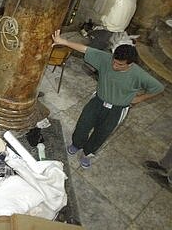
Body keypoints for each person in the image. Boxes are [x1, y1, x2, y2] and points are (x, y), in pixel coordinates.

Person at [52, 30, 165, 168]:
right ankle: (76, 144)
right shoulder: (107, 59)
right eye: (114, 61)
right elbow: (86, 50)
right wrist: (64, 42)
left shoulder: (139, 75)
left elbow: (158, 88)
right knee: (83, 124)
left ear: (130, 64)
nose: (114, 66)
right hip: (98, 100)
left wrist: (140, 98)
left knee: (102, 133)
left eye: (119, 65)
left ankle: (87, 153)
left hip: (117, 110)